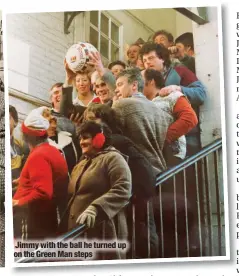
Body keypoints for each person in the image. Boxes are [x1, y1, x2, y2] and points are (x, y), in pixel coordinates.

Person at [83, 103, 158, 258]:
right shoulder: (116, 141)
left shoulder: (116, 142)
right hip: (133, 196)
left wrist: (136, 193)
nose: (87, 124)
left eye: (91, 119)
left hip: (136, 197)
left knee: (141, 235)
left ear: (103, 120)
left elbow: (144, 170)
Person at [66, 121, 132, 260]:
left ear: (99, 138)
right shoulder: (81, 163)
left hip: (103, 231)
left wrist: (95, 208)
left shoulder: (113, 158)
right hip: (79, 233)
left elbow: (123, 188)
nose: (81, 142)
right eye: (80, 138)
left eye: (86, 137)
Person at [140, 42, 206, 156]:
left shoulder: (180, 71)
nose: (147, 63)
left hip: (188, 135)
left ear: (162, 59)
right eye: (144, 60)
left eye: (151, 58)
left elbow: (201, 94)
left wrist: (178, 88)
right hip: (160, 140)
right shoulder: (145, 81)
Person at [13, 107, 69, 239]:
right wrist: (22, 180)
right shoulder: (51, 150)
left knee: (30, 257)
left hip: (35, 219)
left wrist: (18, 202)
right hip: (47, 217)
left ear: (28, 136)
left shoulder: (38, 156)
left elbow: (43, 192)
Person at [112, 67, 170, 175]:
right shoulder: (160, 111)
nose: (116, 90)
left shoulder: (121, 104)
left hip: (135, 171)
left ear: (134, 85)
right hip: (159, 171)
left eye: (120, 85)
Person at [143, 68, 198, 166]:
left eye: (140, 79)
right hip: (151, 158)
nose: (137, 82)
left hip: (171, 155)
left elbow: (190, 118)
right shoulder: (141, 103)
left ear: (151, 81)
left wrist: (163, 139)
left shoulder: (171, 95)